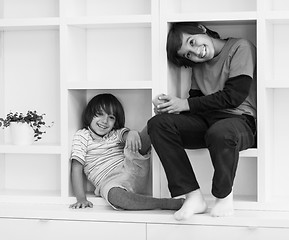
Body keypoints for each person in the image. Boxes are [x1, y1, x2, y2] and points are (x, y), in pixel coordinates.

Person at [147, 22, 257, 220]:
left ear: (201, 29)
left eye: (192, 42)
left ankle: (223, 196)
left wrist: (185, 104)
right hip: (207, 122)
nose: (195, 52)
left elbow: (234, 96)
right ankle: (193, 196)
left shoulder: (241, 47)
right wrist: (168, 108)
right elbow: (196, 107)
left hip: (239, 122)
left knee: (220, 132)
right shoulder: (198, 67)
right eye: (188, 54)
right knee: (158, 124)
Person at [69, 93, 184, 211]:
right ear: (89, 115)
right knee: (114, 196)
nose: (105, 121)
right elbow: (76, 167)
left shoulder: (115, 133)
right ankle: (165, 204)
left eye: (111, 117)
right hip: (109, 182)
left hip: (131, 168)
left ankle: (161, 118)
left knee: (138, 139)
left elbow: (126, 136)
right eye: (99, 114)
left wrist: (132, 133)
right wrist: (81, 198)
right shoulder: (82, 136)